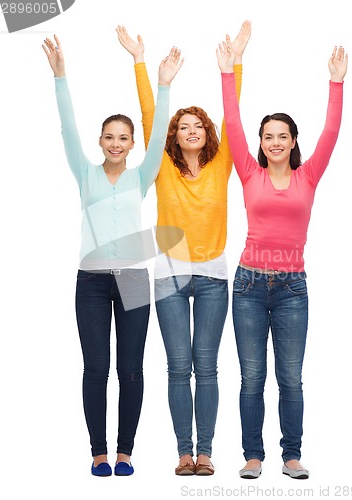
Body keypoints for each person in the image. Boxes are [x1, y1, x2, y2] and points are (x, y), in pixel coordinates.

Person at [42, 34, 183, 477]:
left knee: (131, 370)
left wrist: (162, 84)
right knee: (96, 369)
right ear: (100, 141)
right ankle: (98, 452)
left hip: (134, 281)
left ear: (132, 142)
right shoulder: (86, 174)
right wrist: (60, 76)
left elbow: (161, 135)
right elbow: (66, 124)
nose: (116, 143)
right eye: (110, 137)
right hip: (91, 280)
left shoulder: (142, 176)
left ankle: (125, 452)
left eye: (124, 137)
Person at [116, 21, 251, 475]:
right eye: (182, 127)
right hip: (169, 278)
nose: (190, 130)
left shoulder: (223, 164)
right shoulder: (162, 169)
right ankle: (183, 453)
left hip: (213, 278)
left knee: (207, 369)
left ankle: (207, 453)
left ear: (207, 133)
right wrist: (145, 68)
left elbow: (234, 116)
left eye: (198, 126)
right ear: (172, 137)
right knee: (178, 369)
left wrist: (233, 65)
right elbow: (151, 119)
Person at [216, 41, 348, 479]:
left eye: (282, 136)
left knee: (290, 378)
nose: (275, 142)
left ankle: (291, 455)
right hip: (250, 285)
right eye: (268, 136)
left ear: (293, 142)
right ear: (260, 143)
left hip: (292, 288)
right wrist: (228, 73)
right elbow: (231, 123)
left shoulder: (308, 175)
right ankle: (253, 456)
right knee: (252, 377)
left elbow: (330, 131)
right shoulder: (248, 172)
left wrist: (336, 82)